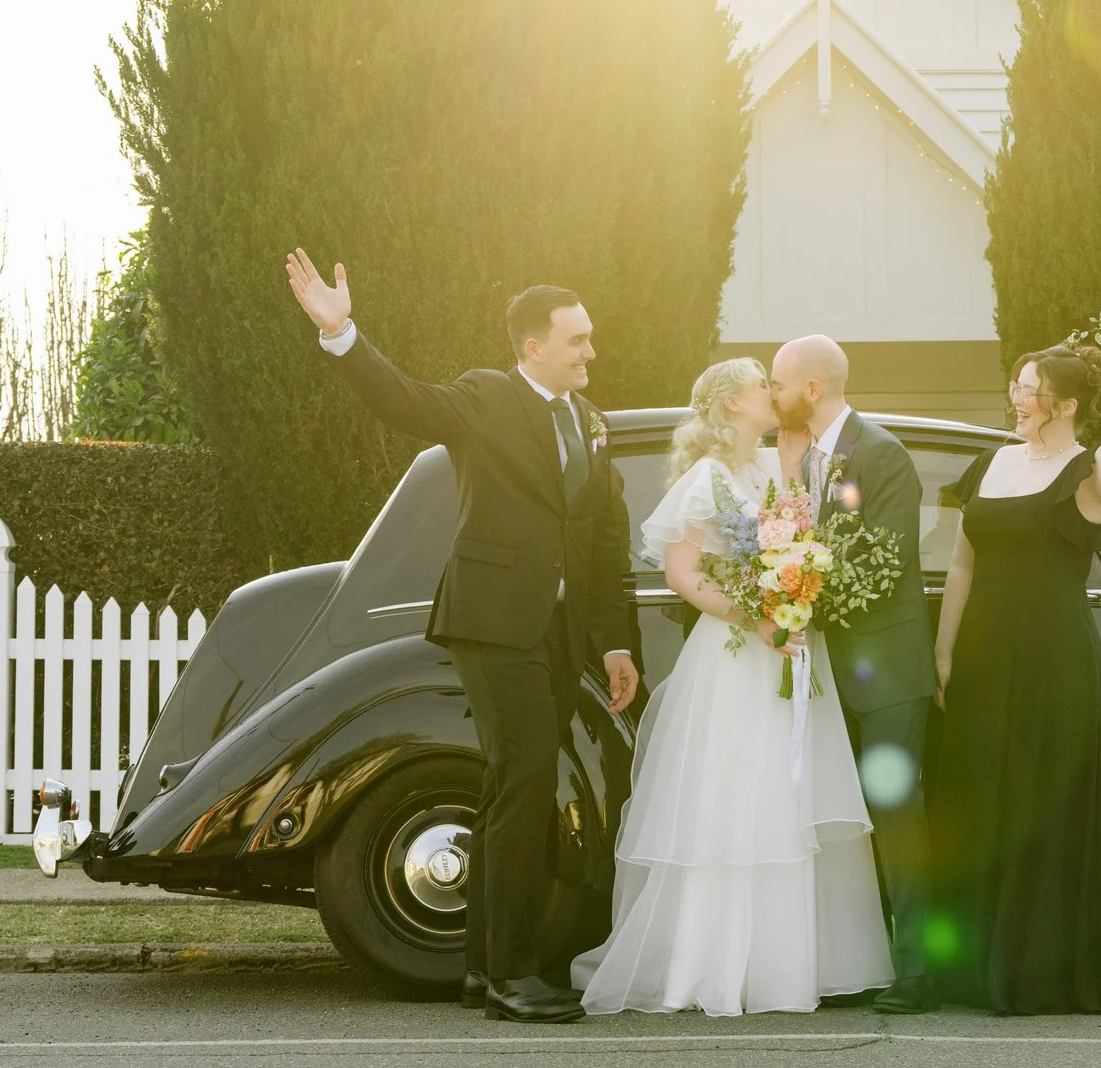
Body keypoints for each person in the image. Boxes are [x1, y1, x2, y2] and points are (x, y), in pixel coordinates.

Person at [284, 251, 639, 1026]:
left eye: (589, 338)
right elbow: (406, 401)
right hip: (490, 622)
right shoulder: (486, 397)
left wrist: (615, 643)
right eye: (576, 340)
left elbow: (606, 541)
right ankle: (515, 976)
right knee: (525, 776)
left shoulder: (591, 422)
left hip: (558, 636)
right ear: (532, 347)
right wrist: (343, 333)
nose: (590, 352)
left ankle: (485, 968)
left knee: (508, 785)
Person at [571, 358, 895, 1014]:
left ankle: (788, 964)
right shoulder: (708, 478)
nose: (769, 394)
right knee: (735, 800)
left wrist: (802, 593)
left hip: (793, 647)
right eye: (758, 386)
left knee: (788, 797)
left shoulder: (776, 468)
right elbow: (686, 573)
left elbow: (806, 540)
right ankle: (713, 963)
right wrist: (761, 618)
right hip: (735, 658)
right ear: (729, 405)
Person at [927, 341, 1101, 1016]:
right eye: (1017, 384)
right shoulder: (991, 462)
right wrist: (944, 652)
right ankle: (975, 966)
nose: (1017, 397)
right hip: (984, 658)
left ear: (1066, 402)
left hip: (1054, 661)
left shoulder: (1093, 469)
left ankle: (1043, 971)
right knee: (986, 801)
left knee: (1042, 802)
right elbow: (963, 566)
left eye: (1030, 387)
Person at [768, 334, 938, 1014]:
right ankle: (843, 960)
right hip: (821, 667)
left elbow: (886, 562)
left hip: (885, 668)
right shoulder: (799, 457)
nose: (772, 394)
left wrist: (799, 599)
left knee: (895, 812)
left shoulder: (883, 454)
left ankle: (919, 969)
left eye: (778, 382)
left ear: (811, 387)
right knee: (826, 814)